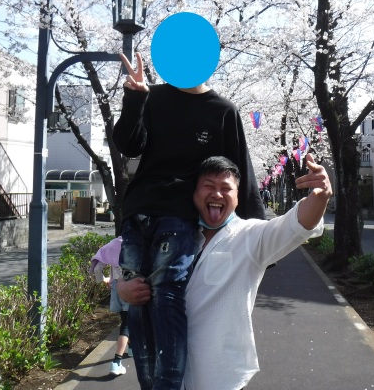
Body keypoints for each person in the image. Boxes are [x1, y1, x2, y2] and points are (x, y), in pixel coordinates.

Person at [112, 52, 265, 390]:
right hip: (138, 211)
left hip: (179, 215)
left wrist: (257, 233)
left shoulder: (223, 111)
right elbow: (129, 145)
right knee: (137, 299)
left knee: (167, 295)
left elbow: (239, 172)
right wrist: (134, 98)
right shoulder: (153, 97)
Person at [121, 153, 332, 390]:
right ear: (194, 193)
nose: (217, 194)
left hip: (221, 378)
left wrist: (321, 196)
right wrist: (124, 288)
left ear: (237, 196)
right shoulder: (171, 234)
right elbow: (133, 268)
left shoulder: (251, 236)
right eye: (208, 186)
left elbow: (297, 224)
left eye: (226, 188)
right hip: (166, 376)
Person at [89, 236, 132, 376]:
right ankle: (116, 362)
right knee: (127, 324)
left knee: (125, 320)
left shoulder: (114, 244)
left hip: (116, 288)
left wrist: (103, 279)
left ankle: (131, 348)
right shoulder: (136, 242)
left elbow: (98, 267)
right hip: (131, 287)